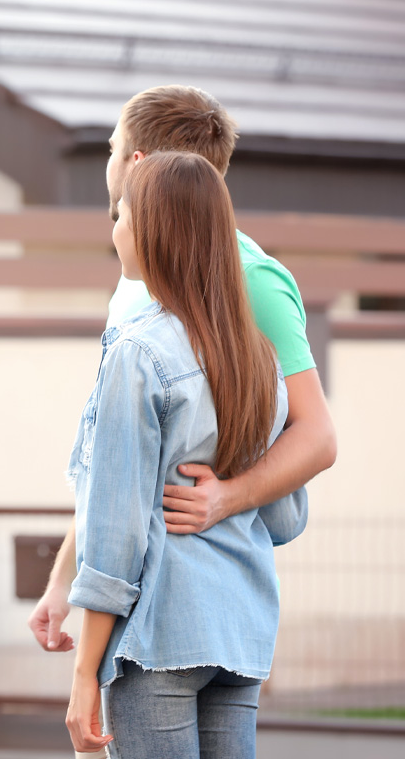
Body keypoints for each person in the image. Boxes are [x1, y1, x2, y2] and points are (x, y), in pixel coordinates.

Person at [28, 85, 336, 655]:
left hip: (201, 608)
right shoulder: (135, 277)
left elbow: (317, 436)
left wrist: (230, 496)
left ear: (137, 163)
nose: (109, 165)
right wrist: (63, 582)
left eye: (113, 149)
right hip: (130, 605)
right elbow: (117, 455)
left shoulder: (255, 280)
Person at [64, 151, 308, 757]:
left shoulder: (139, 353)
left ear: (153, 234)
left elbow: (115, 534)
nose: (114, 229)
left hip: (159, 637)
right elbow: (286, 518)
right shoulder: (259, 355)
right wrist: (229, 492)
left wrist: (83, 674)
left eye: (121, 216)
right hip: (241, 633)